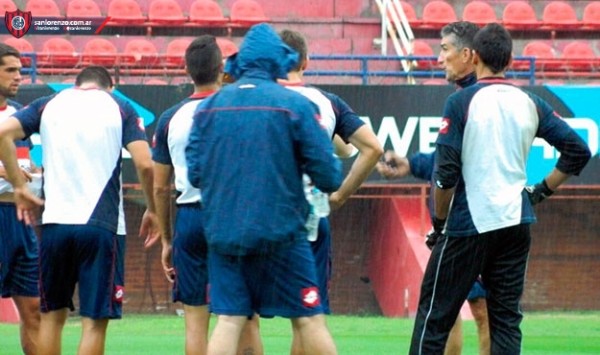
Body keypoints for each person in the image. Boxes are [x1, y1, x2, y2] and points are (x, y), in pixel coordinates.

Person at [409, 23, 591, 354]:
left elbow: (445, 175)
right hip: (516, 224)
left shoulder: (461, 102)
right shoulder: (531, 102)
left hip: (469, 223)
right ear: (509, 61)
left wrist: (439, 223)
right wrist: (538, 193)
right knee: (505, 323)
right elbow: (578, 150)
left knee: (434, 319)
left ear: (474, 57)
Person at [186, 23, 341, 355]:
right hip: (282, 233)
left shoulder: (208, 108)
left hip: (224, 234)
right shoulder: (295, 105)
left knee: (229, 320)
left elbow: (196, 174)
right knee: (308, 317)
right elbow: (329, 176)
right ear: (278, 61)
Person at [0, 66, 160, 355]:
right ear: (109, 86)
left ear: (78, 84)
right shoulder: (119, 105)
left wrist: (19, 187)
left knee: (51, 318)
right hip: (102, 226)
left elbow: (2, 134)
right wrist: (153, 209)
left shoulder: (48, 104)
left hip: (54, 226)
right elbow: (146, 164)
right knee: (94, 322)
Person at [377, 21, 490, 355]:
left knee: (482, 311)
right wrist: (412, 165)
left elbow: (455, 167)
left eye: (444, 49)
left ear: (468, 55)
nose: (439, 58)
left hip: (476, 226)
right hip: (460, 228)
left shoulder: (480, 100)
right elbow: (447, 158)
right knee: (447, 310)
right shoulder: (461, 99)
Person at [153, 35, 262, 355]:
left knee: (194, 321)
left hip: (189, 218)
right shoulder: (242, 108)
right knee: (246, 318)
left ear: (187, 70)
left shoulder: (170, 118)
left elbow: (160, 186)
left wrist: (166, 239)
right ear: (222, 68)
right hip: (233, 216)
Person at [278, 28, 383, 355]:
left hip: (262, 216)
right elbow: (372, 149)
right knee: (307, 314)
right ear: (306, 61)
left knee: (239, 316)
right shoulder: (325, 102)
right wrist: (339, 196)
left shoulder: (255, 98)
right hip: (310, 218)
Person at [0, 43, 40, 355]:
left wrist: (33, 170)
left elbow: (23, 162)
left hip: (20, 218)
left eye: (20, 70)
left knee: (34, 309)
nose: (19, 77)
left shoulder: (18, 116)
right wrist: (6, 172)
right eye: (10, 70)